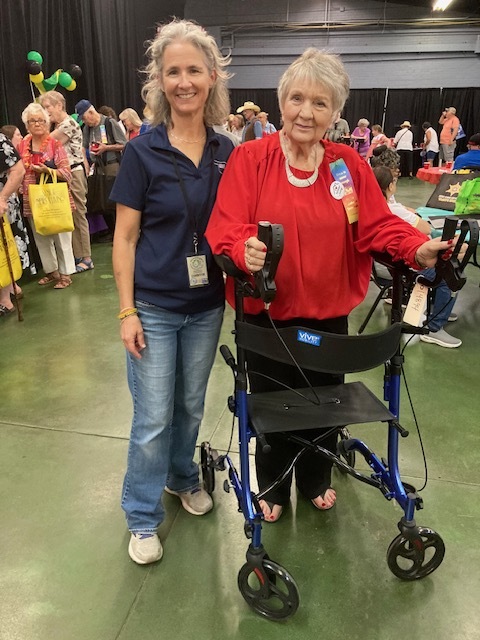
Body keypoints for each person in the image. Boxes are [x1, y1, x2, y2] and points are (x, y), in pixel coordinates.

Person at [206, 48, 463, 523]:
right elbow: (227, 227)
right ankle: (275, 486)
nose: (307, 112)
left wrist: (416, 247)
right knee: (273, 409)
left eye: (320, 103)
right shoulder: (251, 158)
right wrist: (244, 250)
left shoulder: (344, 166)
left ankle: (317, 477)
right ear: (281, 102)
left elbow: (376, 226)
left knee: (326, 404)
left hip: (327, 314)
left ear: (335, 113)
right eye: (298, 99)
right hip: (268, 316)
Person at [110, 18, 235, 565]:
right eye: (172, 72)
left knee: (189, 405)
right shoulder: (142, 151)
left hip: (206, 306)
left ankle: (182, 476)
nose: (183, 81)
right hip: (155, 307)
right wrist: (125, 310)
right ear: (159, 82)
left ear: (211, 77)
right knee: (153, 414)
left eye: (193, 70)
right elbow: (125, 237)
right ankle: (141, 515)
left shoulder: (228, 150)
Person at [373, 165, 461, 348]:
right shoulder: (394, 210)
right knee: (449, 273)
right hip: (400, 267)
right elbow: (426, 229)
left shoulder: (377, 205)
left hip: (384, 265)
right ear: (390, 185)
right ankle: (435, 327)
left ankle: (438, 307)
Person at [18, 103, 75, 289]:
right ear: (26, 124)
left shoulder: (54, 143)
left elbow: (67, 172)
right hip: (32, 198)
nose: (37, 124)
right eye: (33, 120)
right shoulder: (23, 144)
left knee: (61, 237)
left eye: (41, 120)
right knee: (41, 236)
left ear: (48, 123)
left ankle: (66, 274)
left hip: (54, 197)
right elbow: (18, 170)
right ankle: (52, 272)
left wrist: (47, 170)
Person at [39, 91, 93, 273]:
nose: (46, 112)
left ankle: (86, 257)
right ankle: (77, 255)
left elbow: (46, 142)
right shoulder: (61, 124)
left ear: (59, 106)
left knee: (78, 214)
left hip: (74, 173)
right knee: (70, 216)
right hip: (63, 174)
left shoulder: (68, 124)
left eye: (47, 107)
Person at [75, 99, 127, 238]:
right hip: (97, 167)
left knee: (115, 201)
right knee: (101, 201)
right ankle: (112, 231)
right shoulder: (87, 128)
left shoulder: (110, 123)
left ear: (91, 112)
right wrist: (85, 163)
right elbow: (83, 147)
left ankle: (120, 232)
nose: (85, 122)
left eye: (85, 118)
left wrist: (106, 148)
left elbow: (124, 144)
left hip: (112, 166)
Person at [0, 131, 25, 316]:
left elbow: (18, 170)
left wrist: (2, 197)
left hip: (2, 203)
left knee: (3, 248)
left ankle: (5, 299)